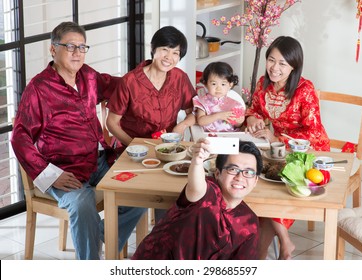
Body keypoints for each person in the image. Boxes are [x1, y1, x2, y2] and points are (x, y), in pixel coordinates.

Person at [11, 21, 145, 260]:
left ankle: (99, 234)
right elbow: (20, 138)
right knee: (83, 207)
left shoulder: (88, 76)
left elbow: (119, 85)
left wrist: (149, 72)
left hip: (97, 160)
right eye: (70, 46)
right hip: (63, 170)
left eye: (82, 47)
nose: (77, 53)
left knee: (140, 187)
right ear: (53, 50)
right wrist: (50, 174)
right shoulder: (38, 89)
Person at [245, 36, 330, 260]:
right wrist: (253, 119)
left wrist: (276, 138)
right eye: (271, 60)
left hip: (310, 150)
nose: (275, 68)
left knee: (282, 185)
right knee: (264, 185)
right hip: (277, 150)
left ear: (294, 66)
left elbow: (313, 132)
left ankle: (261, 255)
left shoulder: (305, 89)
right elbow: (253, 110)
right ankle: (283, 242)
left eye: (282, 63)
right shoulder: (263, 83)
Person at [105, 26, 196, 223]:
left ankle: (162, 238)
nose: (169, 57)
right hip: (132, 152)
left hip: (168, 150)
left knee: (179, 192)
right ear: (153, 49)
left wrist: (181, 126)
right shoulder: (129, 82)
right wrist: (135, 145)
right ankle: (109, 235)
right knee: (140, 196)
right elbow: (111, 123)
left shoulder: (180, 78)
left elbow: (193, 113)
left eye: (175, 53)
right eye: (165, 49)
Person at [132, 139, 262, 260]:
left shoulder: (250, 222)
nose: (240, 177)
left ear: (255, 180)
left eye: (249, 172)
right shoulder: (208, 193)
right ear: (217, 173)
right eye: (233, 169)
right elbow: (197, 187)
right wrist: (197, 161)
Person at [193, 62, 245, 132]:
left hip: (230, 136)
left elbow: (237, 125)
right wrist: (218, 116)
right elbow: (201, 121)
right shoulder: (203, 101)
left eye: (223, 84)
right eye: (214, 84)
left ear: (230, 85)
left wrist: (239, 121)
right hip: (208, 137)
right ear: (205, 84)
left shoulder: (234, 103)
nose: (218, 88)